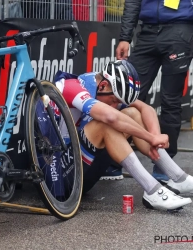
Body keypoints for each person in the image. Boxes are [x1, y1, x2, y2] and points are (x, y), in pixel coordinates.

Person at [53, 60, 193, 211]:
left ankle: (179, 178)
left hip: (82, 170)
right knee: (106, 123)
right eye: (114, 100)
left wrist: (155, 137)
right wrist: (150, 137)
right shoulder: (72, 86)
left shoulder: (104, 86)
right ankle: (152, 190)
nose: (115, 105)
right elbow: (111, 117)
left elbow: (146, 109)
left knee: (132, 113)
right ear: (103, 86)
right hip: (59, 178)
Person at [115, 0, 193, 183]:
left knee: (170, 101)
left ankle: (164, 166)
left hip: (179, 31)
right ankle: (113, 160)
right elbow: (133, 2)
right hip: (147, 32)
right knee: (126, 96)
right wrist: (125, 37)